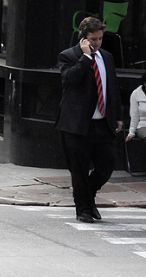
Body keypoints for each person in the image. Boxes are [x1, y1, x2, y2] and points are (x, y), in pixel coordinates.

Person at [55, 16, 123, 223]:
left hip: (103, 123)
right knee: (80, 168)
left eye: (100, 39)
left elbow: (112, 88)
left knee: (106, 166)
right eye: (93, 39)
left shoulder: (107, 58)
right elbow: (69, 81)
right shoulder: (68, 56)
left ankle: (89, 194)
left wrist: (118, 116)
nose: (97, 43)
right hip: (77, 125)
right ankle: (83, 209)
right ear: (83, 39)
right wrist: (85, 58)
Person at [126, 72, 146, 142]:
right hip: (143, 126)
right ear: (144, 83)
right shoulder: (136, 93)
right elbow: (134, 115)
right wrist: (131, 132)